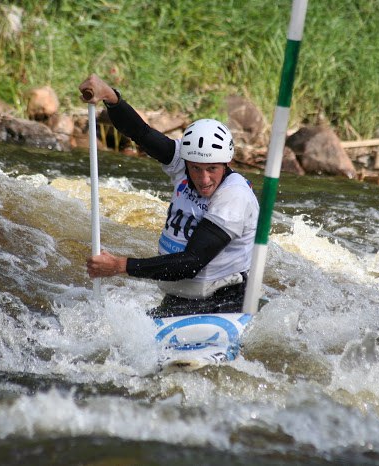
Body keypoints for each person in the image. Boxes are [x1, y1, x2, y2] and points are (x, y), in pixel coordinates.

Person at [79, 74, 259, 318]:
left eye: (212, 169)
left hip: (223, 303)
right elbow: (140, 133)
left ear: (226, 163)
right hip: (179, 298)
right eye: (196, 168)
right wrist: (111, 97)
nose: (204, 179)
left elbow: (191, 262)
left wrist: (120, 266)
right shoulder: (181, 161)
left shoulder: (234, 196)